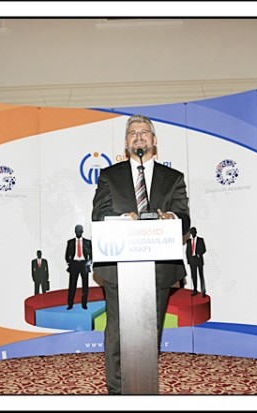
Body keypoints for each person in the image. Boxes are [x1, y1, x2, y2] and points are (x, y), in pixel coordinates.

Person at [92, 114, 191, 395]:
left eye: (144, 132)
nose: (138, 137)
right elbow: (99, 214)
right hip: (118, 264)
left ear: (154, 140)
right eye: (133, 133)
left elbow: (184, 218)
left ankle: (143, 389)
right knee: (117, 330)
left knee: (150, 330)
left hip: (159, 265)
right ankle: (116, 391)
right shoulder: (109, 176)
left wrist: (171, 217)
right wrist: (124, 219)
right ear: (126, 143)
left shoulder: (173, 178)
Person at [65, 224, 92, 310]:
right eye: (77, 231)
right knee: (72, 285)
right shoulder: (70, 242)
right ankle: (70, 304)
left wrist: (89, 263)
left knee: (85, 286)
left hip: (84, 264)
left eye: (80, 231)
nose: (78, 232)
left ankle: (84, 304)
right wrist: (70, 263)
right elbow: (67, 254)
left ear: (82, 231)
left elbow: (91, 255)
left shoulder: (87, 242)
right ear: (74, 231)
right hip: (74, 264)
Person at [186, 227, 207, 297]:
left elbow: (204, 249)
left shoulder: (200, 240)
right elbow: (187, 252)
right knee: (194, 276)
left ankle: (203, 291)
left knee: (201, 275)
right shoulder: (189, 241)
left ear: (196, 232)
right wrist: (189, 260)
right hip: (192, 260)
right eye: (191, 232)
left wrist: (198, 254)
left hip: (199, 259)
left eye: (194, 231)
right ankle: (195, 290)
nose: (192, 233)